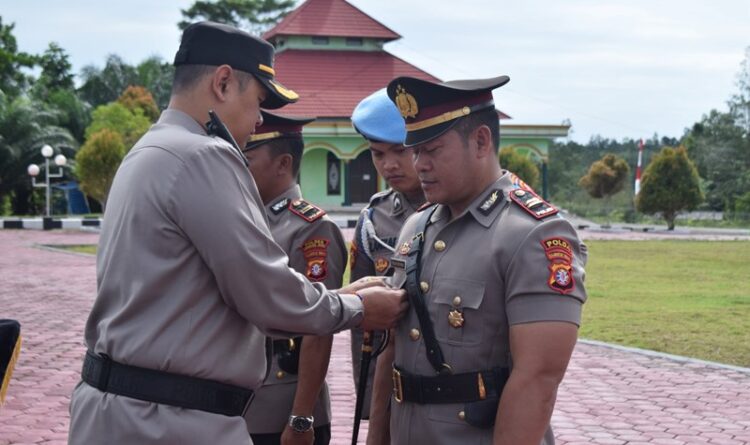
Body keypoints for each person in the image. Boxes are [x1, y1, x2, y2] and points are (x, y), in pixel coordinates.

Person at [68, 21, 407, 445]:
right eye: (259, 101)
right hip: (171, 419)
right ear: (224, 83)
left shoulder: (149, 151)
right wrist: (355, 307)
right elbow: (265, 295)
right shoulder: (204, 155)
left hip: (122, 408)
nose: (259, 119)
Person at [366, 75, 588, 445]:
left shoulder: (533, 234)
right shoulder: (416, 227)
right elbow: (392, 354)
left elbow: (538, 379)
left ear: (481, 141)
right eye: (415, 150)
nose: (419, 164)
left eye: (432, 150)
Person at [242, 111, 344, 445]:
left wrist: (301, 419)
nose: (237, 168)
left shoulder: (310, 227)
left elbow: (319, 327)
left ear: (283, 163)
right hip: (237, 401)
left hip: (282, 408)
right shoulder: (243, 221)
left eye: (246, 158)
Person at [348, 88, 426, 419]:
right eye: (378, 154)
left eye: (400, 151)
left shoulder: (459, 206)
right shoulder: (373, 219)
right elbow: (360, 320)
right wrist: (368, 402)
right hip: (390, 380)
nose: (389, 165)